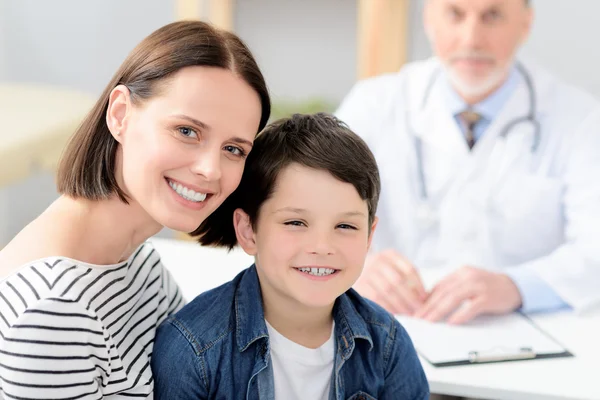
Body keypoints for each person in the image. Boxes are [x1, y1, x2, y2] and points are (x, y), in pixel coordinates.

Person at [0, 20, 270, 399]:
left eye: (233, 149)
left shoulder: (135, 261)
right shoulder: (51, 312)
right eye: (187, 131)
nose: (210, 169)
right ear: (120, 114)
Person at [335, 0, 600, 325]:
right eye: (455, 14)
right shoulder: (374, 104)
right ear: (429, 20)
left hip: (522, 335)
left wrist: (516, 285)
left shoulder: (580, 119)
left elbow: (595, 248)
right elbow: (312, 210)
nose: (472, 39)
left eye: (493, 16)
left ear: (525, 24)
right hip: (387, 325)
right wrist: (355, 263)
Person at [151, 113, 430, 399]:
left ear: (370, 236)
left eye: (345, 226)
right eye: (296, 223)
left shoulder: (388, 346)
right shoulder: (193, 349)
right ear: (248, 231)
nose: (322, 247)